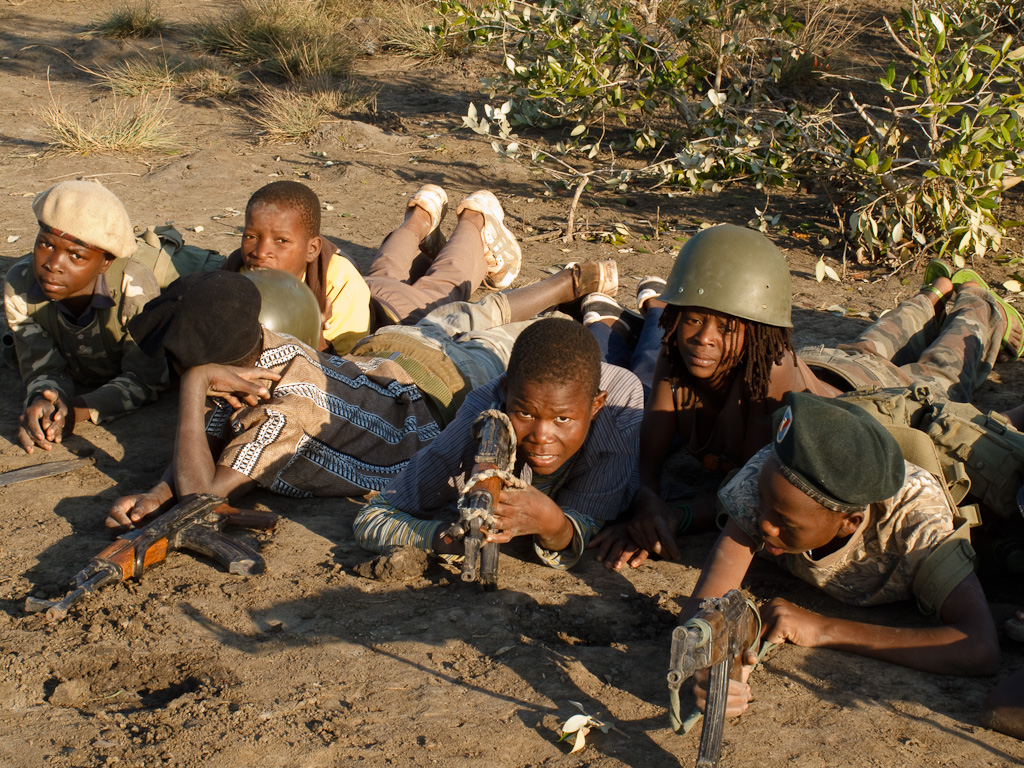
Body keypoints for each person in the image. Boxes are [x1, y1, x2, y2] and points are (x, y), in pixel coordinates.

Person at [590, 223, 1023, 569]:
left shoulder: (768, 379)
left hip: (871, 394)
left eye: (726, 327)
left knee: (944, 367)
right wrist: (646, 498)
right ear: (676, 317)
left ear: (758, 329)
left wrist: (672, 515)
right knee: (874, 340)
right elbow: (652, 447)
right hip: (823, 365)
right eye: (693, 321)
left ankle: (978, 300)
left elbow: (753, 489)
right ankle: (934, 292)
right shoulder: (677, 352)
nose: (703, 339)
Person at [105, 257, 618, 528]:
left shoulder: (283, 415)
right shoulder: (268, 346)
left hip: (442, 386)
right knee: (471, 316)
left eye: (181, 367)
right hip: (391, 352)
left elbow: (201, 499)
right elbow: (209, 441)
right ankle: (568, 284)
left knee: (528, 350)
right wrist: (156, 492)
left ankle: (599, 312)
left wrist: (193, 388)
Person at [685, 392, 999, 719]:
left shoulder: (916, 522)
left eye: (784, 522)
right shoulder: (774, 474)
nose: (764, 522)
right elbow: (706, 603)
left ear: (848, 523)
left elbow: (978, 647)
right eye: (762, 503)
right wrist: (715, 661)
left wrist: (821, 628)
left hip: (917, 406)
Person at [353, 318, 643, 569]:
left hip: (631, 388)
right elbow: (373, 518)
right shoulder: (477, 420)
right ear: (505, 392)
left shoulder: (620, 409)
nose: (542, 436)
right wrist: (446, 538)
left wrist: (554, 525)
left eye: (563, 419)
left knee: (649, 351)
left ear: (595, 406)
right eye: (525, 413)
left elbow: (589, 521)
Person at [223, 181, 525, 354]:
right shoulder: (236, 275)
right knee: (384, 270)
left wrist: (315, 332)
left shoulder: (338, 281)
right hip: (369, 291)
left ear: (312, 249)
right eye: (250, 236)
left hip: (400, 315)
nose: (261, 252)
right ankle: (420, 218)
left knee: (445, 286)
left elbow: (348, 367)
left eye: (281, 241)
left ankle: (475, 219)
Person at [3, 180, 168, 454]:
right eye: (45, 244)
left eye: (76, 256)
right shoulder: (20, 284)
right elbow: (44, 369)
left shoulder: (132, 285)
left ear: (105, 262)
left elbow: (146, 379)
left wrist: (75, 410)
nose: (53, 265)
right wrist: (43, 401)